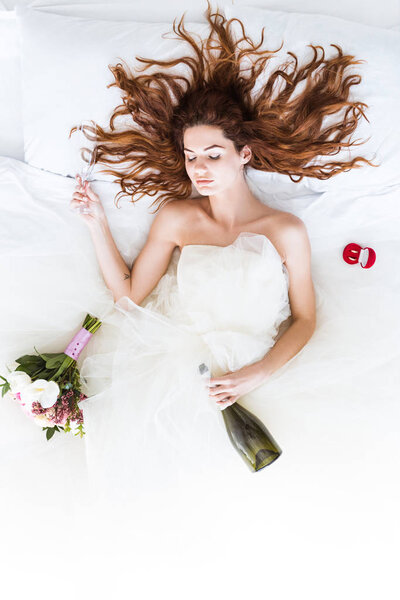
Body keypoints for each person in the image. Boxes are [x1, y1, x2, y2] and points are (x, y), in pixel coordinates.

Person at [69, 3, 376, 505]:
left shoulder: (285, 229)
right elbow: (127, 295)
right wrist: (96, 223)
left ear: (244, 154)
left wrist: (258, 373)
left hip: (268, 369)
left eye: (214, 155)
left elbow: (304, 319)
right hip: (187, 374)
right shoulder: (177, 219)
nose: (200, 169)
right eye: (191, 157)